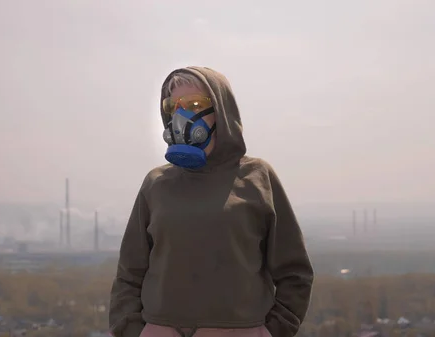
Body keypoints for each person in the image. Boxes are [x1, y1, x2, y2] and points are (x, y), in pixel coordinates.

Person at [109, 66, 314, 337]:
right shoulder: (156, 183)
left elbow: (294, 272)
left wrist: (272, 331)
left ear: (221, 111)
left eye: (195, 104)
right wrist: (132, 330)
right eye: (174, 106)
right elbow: (129, 272)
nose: (183, 116)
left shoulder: (257, 177)